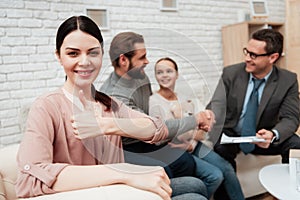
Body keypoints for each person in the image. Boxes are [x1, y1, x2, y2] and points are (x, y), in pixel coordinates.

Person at [15, 15, 207, 200]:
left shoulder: (108, 103)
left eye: (93, 52)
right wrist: (122, 174)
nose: (85, 62)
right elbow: (30, 180)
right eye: (73, 53)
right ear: (59, 56)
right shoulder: (46, 107)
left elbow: (158, 129)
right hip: (86, 193)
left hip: (115, 191)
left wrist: (109, 125)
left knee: (195, 185)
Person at [100, 31, 214, 199]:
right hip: (127, 148)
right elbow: (150, 128)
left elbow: (150, 118)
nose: (147, 61)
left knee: (185, 161)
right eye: (142, 57)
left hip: (146, 139)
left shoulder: (139, 76)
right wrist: (196, 120)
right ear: (124, 60)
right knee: (163, 170)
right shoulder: (115, 96)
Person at [208, 28, 300, 199]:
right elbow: (216, 104)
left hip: (263, 137)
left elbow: (291, 117)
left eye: (254, 55)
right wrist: (209, 116)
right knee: (219, 147)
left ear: (273, 57)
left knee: (295, 143)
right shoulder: (231, 73)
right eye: (247, 52)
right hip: (233, 135)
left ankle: (291, 193)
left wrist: (273, 134)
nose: (246, 58)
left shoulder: (288, 80)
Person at [149, 57, 244, 200]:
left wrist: (189, 135)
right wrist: (187, 124)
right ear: (155, 76)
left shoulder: (185, 98)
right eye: (160, 72)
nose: (164, 75)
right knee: (215, 175)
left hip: (194, 145)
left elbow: (202, 131)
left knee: (227, 169)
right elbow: (168, 135)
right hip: (175, 150)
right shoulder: (153, 101)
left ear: (177, 74)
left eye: (169, 71)